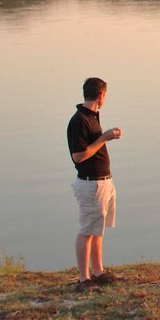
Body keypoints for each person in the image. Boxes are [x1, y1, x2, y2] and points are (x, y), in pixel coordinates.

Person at [67, 76, 122, 291]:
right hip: (91, 185)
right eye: (106, 95)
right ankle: (83, 279)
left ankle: (98, 271)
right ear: (101, 95)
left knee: (98, 229)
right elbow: (79, 156)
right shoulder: (79, 120)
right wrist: (105, 138)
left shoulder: (92, 116)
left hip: (103, 182)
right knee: (87, 230)